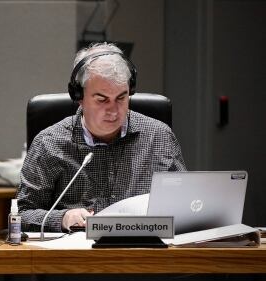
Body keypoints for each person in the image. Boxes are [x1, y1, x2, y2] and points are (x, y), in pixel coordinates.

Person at [17, 43, 186, 232]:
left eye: (121, 98)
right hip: (78, 258)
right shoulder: (49, 143)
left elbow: (185, 206)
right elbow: (21, 215)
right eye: (102, 99)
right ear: (79, 96)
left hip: (144, 255)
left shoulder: (159, 137)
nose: (113, 111)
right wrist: (63, 218)